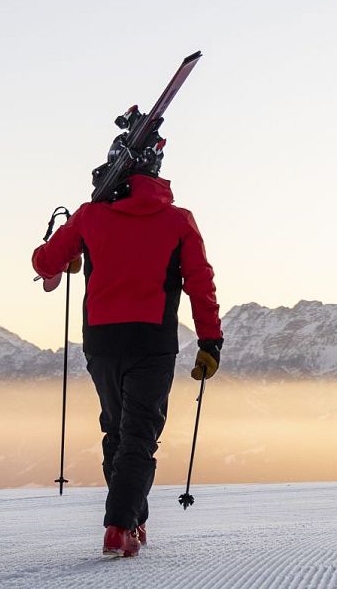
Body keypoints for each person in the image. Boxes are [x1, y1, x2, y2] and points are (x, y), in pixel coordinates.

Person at [31, 143, 223, 558]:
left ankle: (130, 520)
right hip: (152, 341)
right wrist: (210, 340)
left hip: (101, 341)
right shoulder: (177, 220)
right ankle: (120, 525)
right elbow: (200, 282)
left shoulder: (90, 215)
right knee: (138, 437)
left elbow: (44, 263)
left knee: (117, 432)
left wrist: (70, 252)